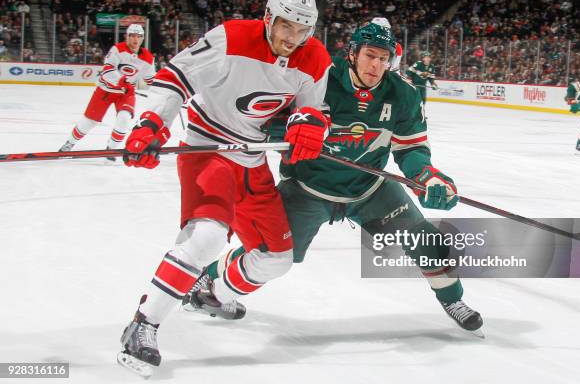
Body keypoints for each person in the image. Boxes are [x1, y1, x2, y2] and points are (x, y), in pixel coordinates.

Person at [184, 23, 484, 336]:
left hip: (369, 189)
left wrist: (428, 177)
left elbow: (412, 150)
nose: (376, 65)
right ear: (353, 53)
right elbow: (274, 120)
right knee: (273, 254)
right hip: (308, 189)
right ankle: (211, 279)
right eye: (370, 55)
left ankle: (454, 300)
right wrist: (291, 133)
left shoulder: (403, 94)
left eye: (383, 59)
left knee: (424, 240)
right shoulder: (319, 77)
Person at [117, 0, 332, 377]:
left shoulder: (315, 57)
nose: (293, 38)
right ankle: (143, 324)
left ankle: (210, 291)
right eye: (286, 26)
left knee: (276, 259)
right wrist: (151, 122)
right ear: (269, 17)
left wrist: (311, 124)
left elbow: (312, 109)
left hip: (251, 159)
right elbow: (176, 77)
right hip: (208, 147)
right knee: (208, 237)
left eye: (303, 30)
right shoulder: (232, 38)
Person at [59, 24, 154, 160]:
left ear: (142, 38)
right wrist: (123, 81)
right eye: (132, 36)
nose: (135, 39)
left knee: (124, 117)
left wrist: (166, 92)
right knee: (89, 122)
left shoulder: (148, 58)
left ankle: (111, 149)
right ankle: (69, 144)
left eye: (138, 37)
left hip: (126, 94)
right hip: (105, 90)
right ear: (127, 37)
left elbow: (151, 80)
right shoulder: (117, 49)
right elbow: (107, 71)